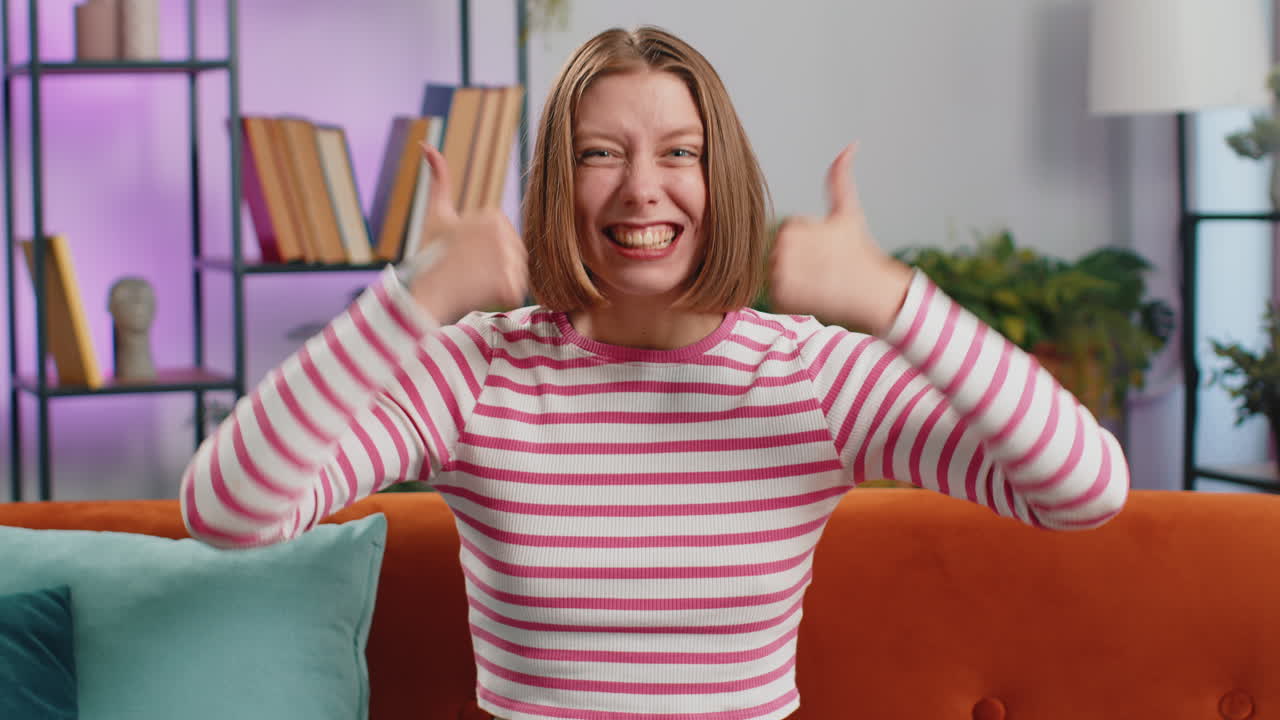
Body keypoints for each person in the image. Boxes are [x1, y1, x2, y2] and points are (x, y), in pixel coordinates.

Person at [180, 25, 1128, 720]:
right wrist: (415, 300)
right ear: (559, 182)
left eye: (682, 153)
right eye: (601, 154)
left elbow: (1085, 490)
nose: (643, 187)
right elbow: (228, 513)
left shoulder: (813, 378)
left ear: (724, 184)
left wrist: (893, 300)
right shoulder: (476, 373)